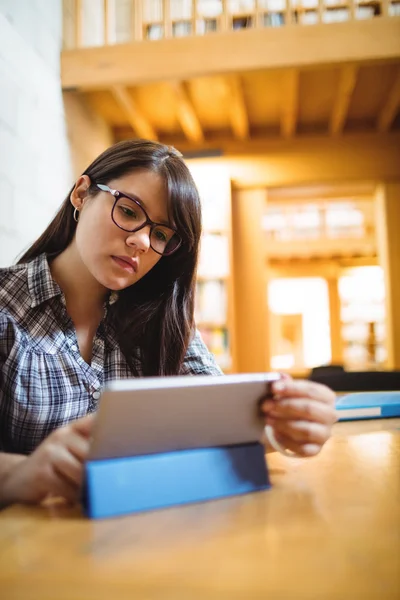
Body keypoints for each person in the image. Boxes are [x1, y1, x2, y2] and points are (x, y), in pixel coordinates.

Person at [0, 140, 336, 507]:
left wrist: (284, 427)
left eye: (161, 234)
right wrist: (23, 473)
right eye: (129, 211)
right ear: (82, 194)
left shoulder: (162, 320)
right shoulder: (7, 308)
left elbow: (222, 422)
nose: (142, 241)